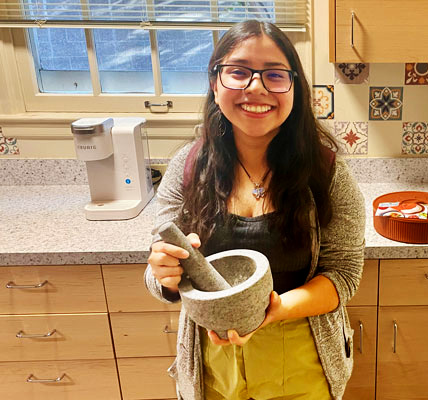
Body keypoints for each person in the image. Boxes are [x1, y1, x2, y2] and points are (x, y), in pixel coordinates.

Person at [144, 20, 365, 400]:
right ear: (215, 83)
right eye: (239, 72)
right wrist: (162, 273)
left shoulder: (326, 173)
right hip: (212, 365)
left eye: (275, 75)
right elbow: (158, 274)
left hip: (302, 360)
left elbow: (344, 274)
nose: (256, 88)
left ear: (294, 87)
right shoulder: (187, 167)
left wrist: (274, 310)